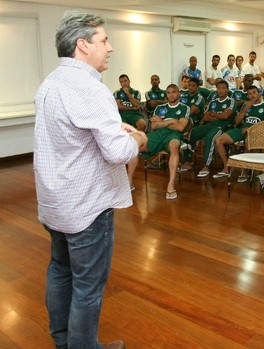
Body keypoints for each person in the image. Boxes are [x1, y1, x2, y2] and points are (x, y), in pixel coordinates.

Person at [34, 10, 147, 349]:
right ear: (83, 45)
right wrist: (138, 138)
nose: (110, 48)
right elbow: (117, 153)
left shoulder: (51, 82)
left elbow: (75, 137)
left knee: (60, 271)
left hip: (56, 201)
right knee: (88, 285)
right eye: (104, 40)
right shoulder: (90, 89)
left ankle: (64, 342)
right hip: (86, 206)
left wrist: (116, 132)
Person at [127, 84, 190, 199]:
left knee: (174, 146)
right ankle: (129, 182)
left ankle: (171, 185)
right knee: (134, 146)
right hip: (157, 134)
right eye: (169, 92)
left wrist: (162, 121)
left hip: (173, 135)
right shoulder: (160, 108)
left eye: (174, 92)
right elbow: (154, 126)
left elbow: (181, 127)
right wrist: (170, 121)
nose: (171, 95)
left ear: (178, 93)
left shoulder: (184, 108)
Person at [213, 85, 264, 181]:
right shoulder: (246, 105)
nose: (252, 95)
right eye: (249, 94)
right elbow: (237, 121)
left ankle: (245, 171)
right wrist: (245, 109)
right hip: (242, 130)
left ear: (259, 93)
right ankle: (226, 167)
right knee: (218, 140)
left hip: (256, 132)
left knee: (248, 141)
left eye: (254, 92)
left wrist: (251, 128)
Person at [192, 80, 237, 178]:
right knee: (191, 133)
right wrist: (218, 115)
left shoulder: (231, 101)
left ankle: (206, 166)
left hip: (221, 126)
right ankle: (187, 161)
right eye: (219, 88)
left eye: (223, 88)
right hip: (208, 125)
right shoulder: (213, 102)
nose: (220, 90)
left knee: (210, 138)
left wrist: (212, 114)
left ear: (227, 89)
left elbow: (226, 116)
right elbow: (205, 117)